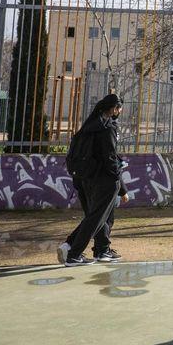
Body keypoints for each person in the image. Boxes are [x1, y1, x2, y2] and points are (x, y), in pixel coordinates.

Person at [58, 94, 129, 266]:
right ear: (113, 109)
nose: (119, 112)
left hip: (85, 178)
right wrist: (121, 186)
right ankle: (74, 253)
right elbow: (110, 159)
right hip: (104, 180)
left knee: (100, 216)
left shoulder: (90, 125)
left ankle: (101, 249)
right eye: (119, 109)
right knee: (97, 218)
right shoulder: (108, 128)